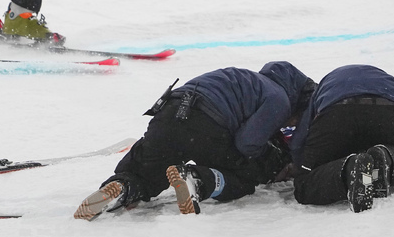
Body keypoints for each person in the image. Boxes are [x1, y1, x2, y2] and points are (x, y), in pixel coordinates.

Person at [74, 61, 316, 220]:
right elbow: (247, 144)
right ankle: (198, 180)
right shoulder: (280, 99)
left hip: (169, 112)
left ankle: (122, 188)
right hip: (208, 123)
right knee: (243, 176)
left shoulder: (248, 79)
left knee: (145, 166)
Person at [289, 64, 394, 213]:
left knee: (306, 184)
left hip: (337, 110)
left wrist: (300, 164)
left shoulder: (322, 89)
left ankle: (350, 169)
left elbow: (302, 133)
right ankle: (385, 158)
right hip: (387, 106)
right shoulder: (382, 79)